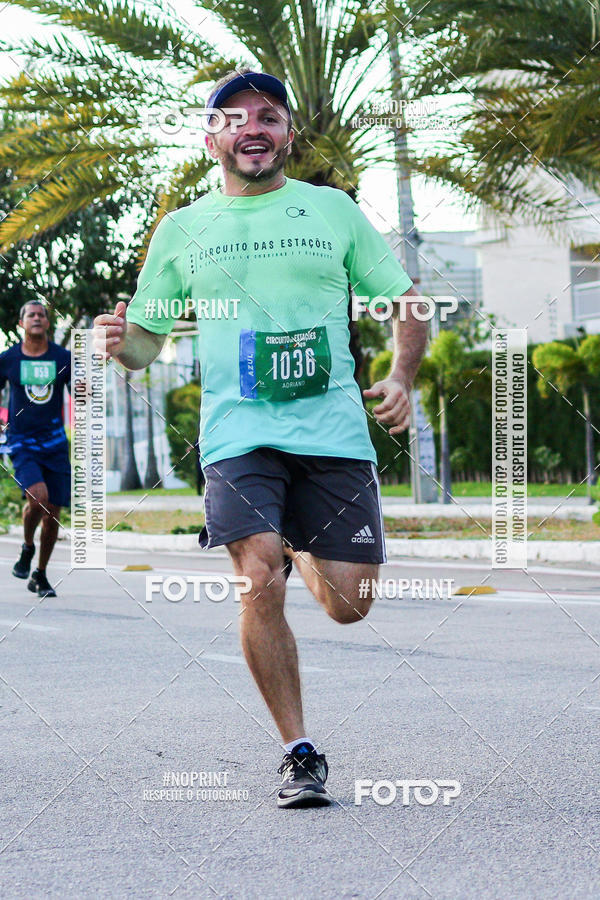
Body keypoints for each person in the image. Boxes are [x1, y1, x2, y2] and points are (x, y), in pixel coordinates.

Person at [94, 70, 429, 808]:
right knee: (256, 571)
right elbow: (148, 343)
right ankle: (298, 750)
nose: (254, 127)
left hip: (334, 431)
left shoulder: (331, 210)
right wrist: (120, 342)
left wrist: (402, 375)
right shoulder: (184, 228)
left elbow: (405, 301)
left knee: (350, 603)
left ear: (287, 133)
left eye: (269, 116)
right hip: (239, 432)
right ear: (210, 136)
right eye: (235, 117)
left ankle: (301, 542)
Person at [0, 301, 71, 598]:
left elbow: (81, 392)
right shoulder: (8, 359)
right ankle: (28, 546)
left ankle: (39, 575)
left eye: (42, 314)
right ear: (21, 324)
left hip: (54, 442)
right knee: (38, 498)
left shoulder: (63, 357)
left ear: (48, 323)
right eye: (31, 315)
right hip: (22, 441)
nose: (37, 318)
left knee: (53, 512)